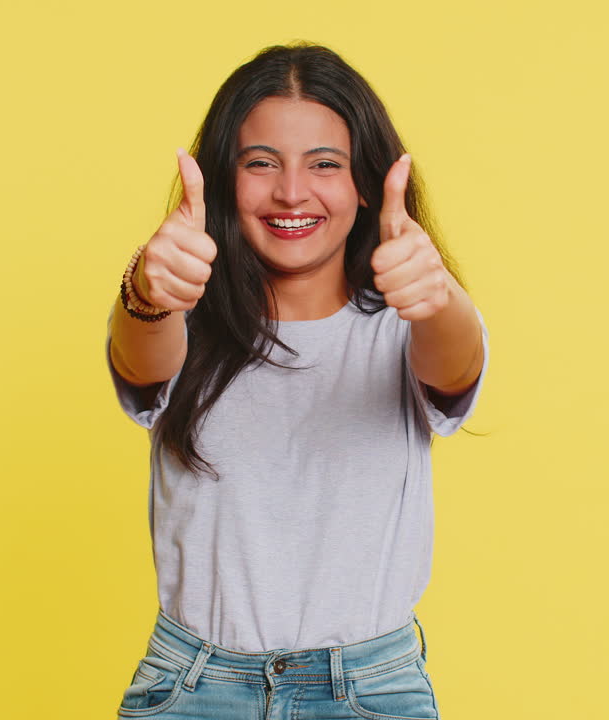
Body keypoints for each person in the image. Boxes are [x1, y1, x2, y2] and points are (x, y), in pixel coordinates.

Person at [106, 42, 488, 720]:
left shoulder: (407, 325)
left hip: (369, 691)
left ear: (364, 182)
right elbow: (140, 352)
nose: (291, 192)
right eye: (261, 164)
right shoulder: (179, 316)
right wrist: (146, 287)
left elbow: (455, 359)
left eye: (324, 165)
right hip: (195, 687)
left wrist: (440, 295)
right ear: (225, 181)